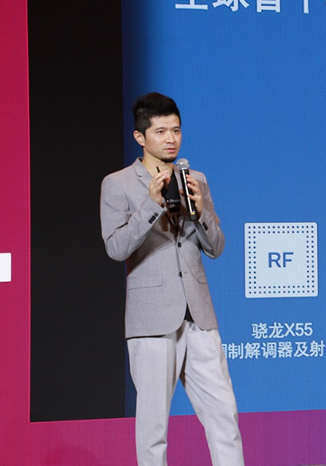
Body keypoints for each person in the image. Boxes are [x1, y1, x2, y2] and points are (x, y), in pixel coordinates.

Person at [100, 92, 244, 466]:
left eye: (176, 130)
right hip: (151, 320)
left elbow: (216, 248)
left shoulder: (197, 180)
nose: (171, 139)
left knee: (224, 416)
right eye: (161, 131)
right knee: (153, 430)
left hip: (199, 316)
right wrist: (151, 205)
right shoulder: (117, 184)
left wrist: (201, 211)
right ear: (140, 136)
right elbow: (116, 248)